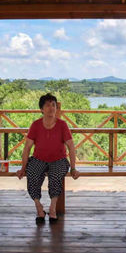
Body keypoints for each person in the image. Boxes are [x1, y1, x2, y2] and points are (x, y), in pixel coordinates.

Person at [16, 93, 80, 223]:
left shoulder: (62, 125)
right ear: (41, 109)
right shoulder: (36, 125)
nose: (51, 108)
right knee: (32, 174)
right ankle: (39, 207)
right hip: (38, 159)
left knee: (56, 175)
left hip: (59, 160)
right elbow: (27, 147)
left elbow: (71, 147)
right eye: (47, 105)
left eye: (53, 105)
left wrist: (73, 168)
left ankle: (52, 208)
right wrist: (23, 168)